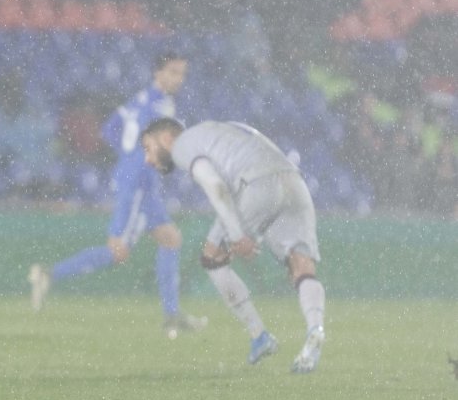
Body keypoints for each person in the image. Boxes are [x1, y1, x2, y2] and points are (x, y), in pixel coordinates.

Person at [28, 52, 206, 338]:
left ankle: (172, 315)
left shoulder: (140, 99)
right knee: (117, 252)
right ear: (157, 72)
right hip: (139, 183)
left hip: (138, 179)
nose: (178, 79)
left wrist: (127, 157)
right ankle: (49, 274)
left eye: (182, 73)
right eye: (172, 72)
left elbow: (109, 129)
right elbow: (158, 146)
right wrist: (138, 163)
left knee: (171, 239)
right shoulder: (157, 106)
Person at [140, 117, 327, 373]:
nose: (148, 159)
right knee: (302, 266)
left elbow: (215, 185)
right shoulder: (219, 129)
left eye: (148, 148)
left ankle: (259, 335)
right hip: (293, 179)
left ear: (166, 139)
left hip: (256, 184)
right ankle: (315, 331)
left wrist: (237, 235)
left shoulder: (183, 144)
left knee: (212, 258)